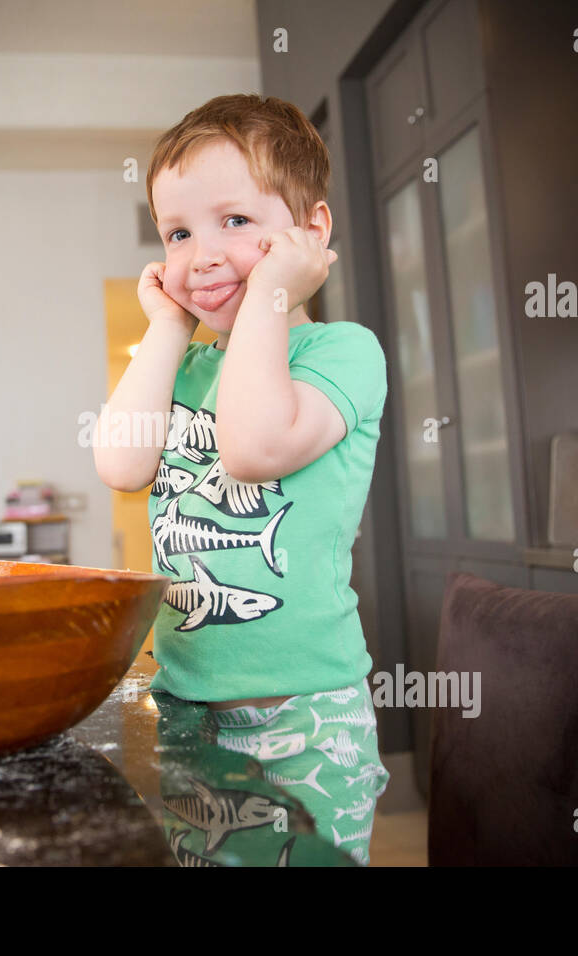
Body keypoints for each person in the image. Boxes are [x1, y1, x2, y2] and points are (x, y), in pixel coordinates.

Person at [93, 93, 390, 863]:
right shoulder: (182, 367)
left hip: (309, 716)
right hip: (190, 712)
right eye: (178, 233)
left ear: (311, 232)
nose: (203, 254)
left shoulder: (343, 354)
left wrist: (269, 294)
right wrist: (165, 329)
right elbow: (121, 464)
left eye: (236, 222)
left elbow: (254, 448)